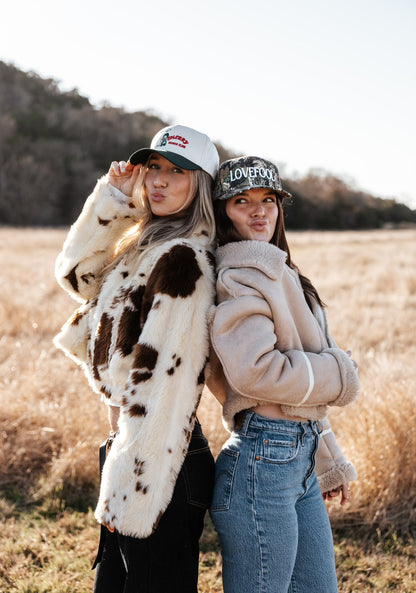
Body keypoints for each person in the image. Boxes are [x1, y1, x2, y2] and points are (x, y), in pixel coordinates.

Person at [54, 124, 220, 593]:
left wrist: (133, 484)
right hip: (132, 448)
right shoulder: (143, 244)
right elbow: (75, 276)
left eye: (178, 171)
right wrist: (111, 200)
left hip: (159, 455)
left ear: (201, 184)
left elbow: (164, 387)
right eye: (153, 167)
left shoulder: (184, 259)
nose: (159, 180)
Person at [207, 156, 360, 593]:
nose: (259, 211)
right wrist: (341, 372)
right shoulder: (238, 274)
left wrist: (327, 458)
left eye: (269, 200)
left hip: (299, 456)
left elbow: (300, 382)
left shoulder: (284, 272)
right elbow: (257, 372)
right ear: (223, 213)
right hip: (262, 462)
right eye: (242, 201)